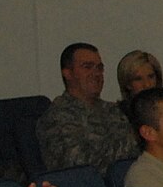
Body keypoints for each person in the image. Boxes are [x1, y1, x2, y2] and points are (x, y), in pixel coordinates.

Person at [37, 42, 138, 174]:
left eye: (99, 68)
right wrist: (133, 145)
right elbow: (79, 165)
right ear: (68, 73)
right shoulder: (57, 117)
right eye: (87, 67)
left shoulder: (112, 110)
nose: (96, 73)